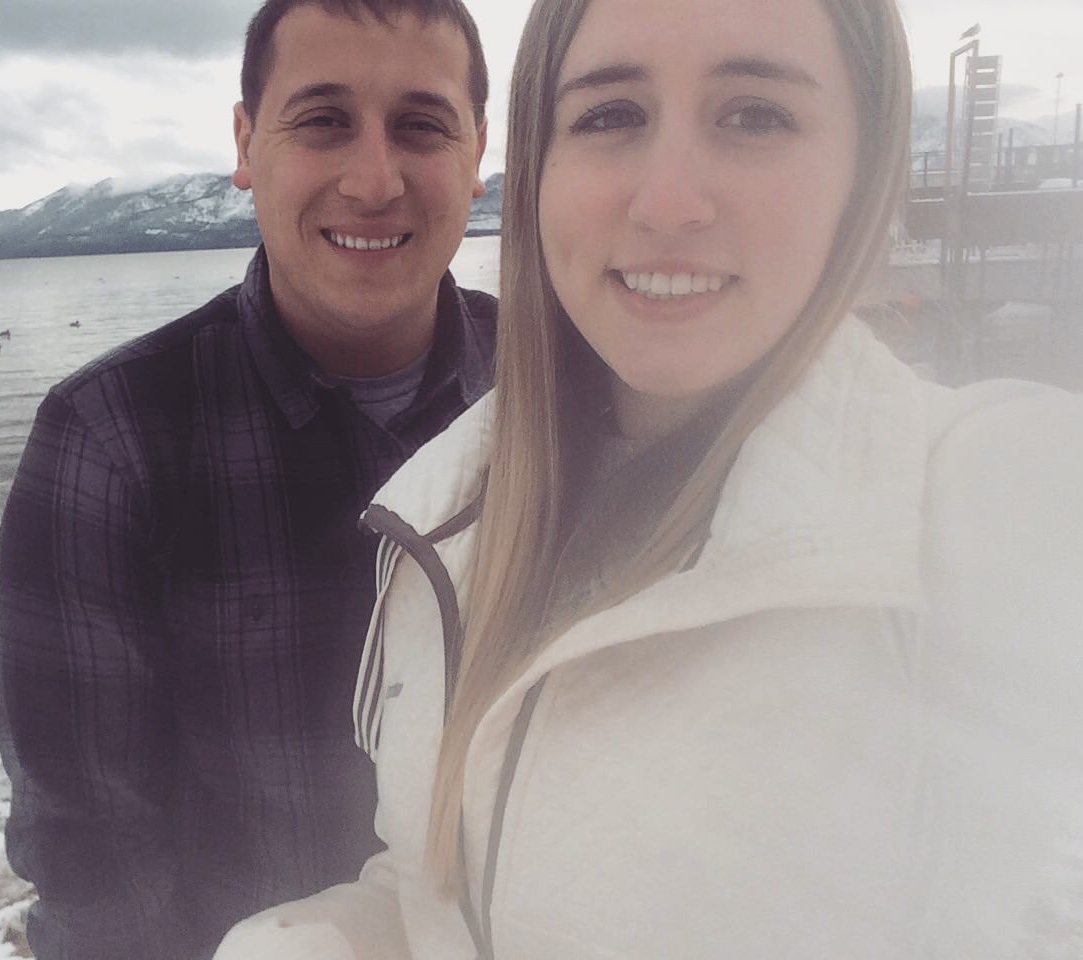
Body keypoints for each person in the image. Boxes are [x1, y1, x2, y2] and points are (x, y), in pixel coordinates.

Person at [214, 0, 1083, 955]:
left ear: (863, 168)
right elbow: (444, 893)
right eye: (609, 115)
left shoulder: (982, 507)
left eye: (755, 115)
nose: (668, 202)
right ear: (539, 171)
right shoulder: (450, 518)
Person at [0, 1, 492, 957]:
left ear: (477, 154)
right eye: (323, 121)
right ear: (247, 143)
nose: (374, 179)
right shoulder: (112, 439)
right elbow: (93, 861)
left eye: (422, 126)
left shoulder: (557, 393)